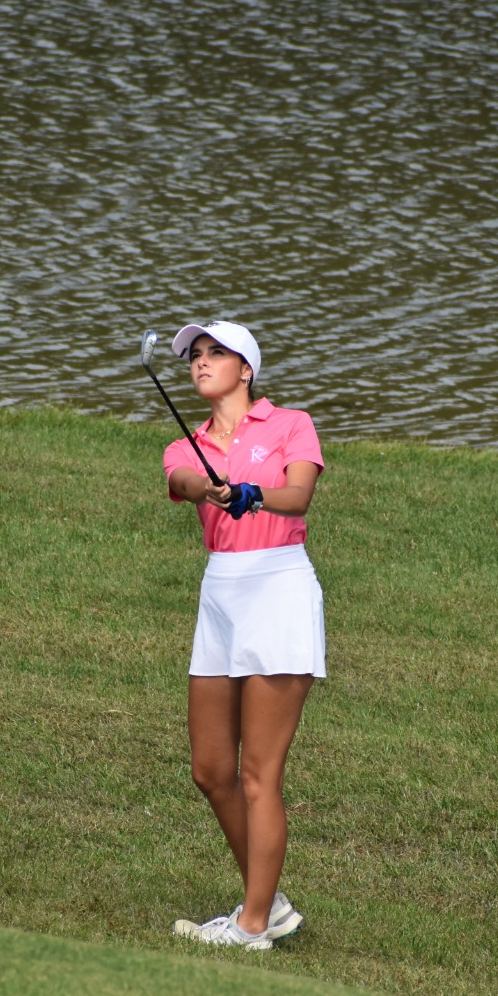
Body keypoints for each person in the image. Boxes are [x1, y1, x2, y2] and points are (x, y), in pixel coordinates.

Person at [162, 320, 325, 951]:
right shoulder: (188, 445)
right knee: (210, 770)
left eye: (215, 353)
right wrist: (210, 487)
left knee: (259, 774)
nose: (201, 363)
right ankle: (270, 901)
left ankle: (254, 925)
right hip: (221, 594)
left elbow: (299, 494)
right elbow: (182, 482)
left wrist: (254, 495)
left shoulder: (290, 424)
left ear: (246, 369)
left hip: (278, 587)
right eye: (194, 356)